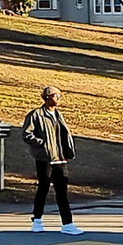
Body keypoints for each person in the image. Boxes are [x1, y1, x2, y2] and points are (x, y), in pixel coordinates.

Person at [21, 85, 82, 235]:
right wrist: (42, 144)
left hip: (60, 158)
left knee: (62, 192)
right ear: (47, 97)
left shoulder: (58, 114)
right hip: (45, 159)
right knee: (43, 188)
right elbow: (26, 134)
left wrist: (67, 150)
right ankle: (37, 220)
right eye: (56, 96)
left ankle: (67, 223)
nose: (58, 99)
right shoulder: (36, 115)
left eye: (59, 96)